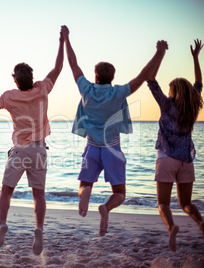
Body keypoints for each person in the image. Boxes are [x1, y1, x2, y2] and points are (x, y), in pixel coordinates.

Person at [61, 25, 169, 236]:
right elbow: (143, 75)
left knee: (84, 185)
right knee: (119, 192)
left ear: (96, 76)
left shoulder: (87, 90)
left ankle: (86, 193)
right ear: (112, 77)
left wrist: (66, 40)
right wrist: (159, 53)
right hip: (112, 149)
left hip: (92, 148)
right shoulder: (119, 93)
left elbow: (73, 64)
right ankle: (106, 207)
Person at [0, 27, 64, 256]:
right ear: (32, 78)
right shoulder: (42, 89)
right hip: (40, 150)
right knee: (38, 194)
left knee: (6, 191)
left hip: (20, 150)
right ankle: (39, 228)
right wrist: (62, 41)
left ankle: (2, 223)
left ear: (15, 79)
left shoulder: (9, 96)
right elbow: (58, 68)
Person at [146, 39, 204, 252]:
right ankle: (201, 223)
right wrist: (196, 57)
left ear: (172, 91)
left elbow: (150, 80)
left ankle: (171, 228)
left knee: (163, 204)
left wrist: (159, 53)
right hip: (186, 162)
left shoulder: (166, 104)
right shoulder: (193, 107)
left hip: (166, 159)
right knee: (186, 204)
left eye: (170, 89)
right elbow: (199, 83)